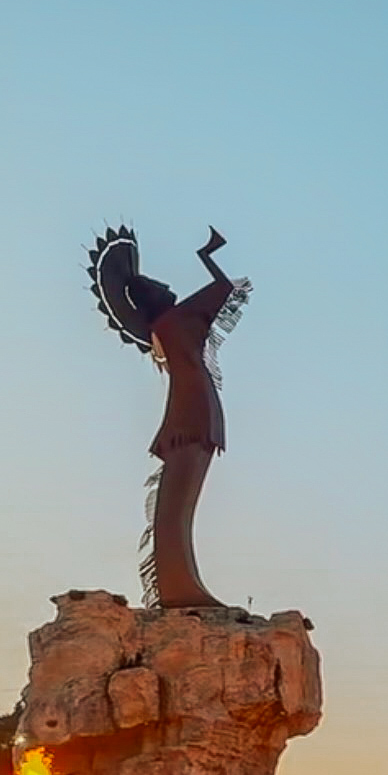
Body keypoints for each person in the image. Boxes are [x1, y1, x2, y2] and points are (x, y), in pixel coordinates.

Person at [88, 223, 252, 610]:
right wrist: (207, 255)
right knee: (178, 505)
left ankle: (182, 583)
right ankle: (181, 588)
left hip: (192, 409)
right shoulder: (174, 321)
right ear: (154, 298)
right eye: (158, 285)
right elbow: (224, 289)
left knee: (178, 505)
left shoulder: (169, 326)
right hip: (192, 412)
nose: (166, 286)